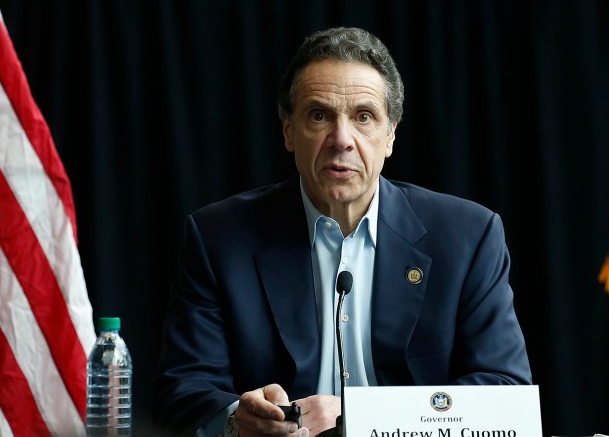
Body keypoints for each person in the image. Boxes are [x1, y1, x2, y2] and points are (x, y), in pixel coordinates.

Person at [153, 27, 531, 436]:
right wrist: (236, 421)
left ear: (390, 135)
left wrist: (367, 420)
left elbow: (504, 391)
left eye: (363, 117)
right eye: (319, 115)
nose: (342, 140)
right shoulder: (218, 238)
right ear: (287, 130)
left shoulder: (468, 237)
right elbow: (182, 390)